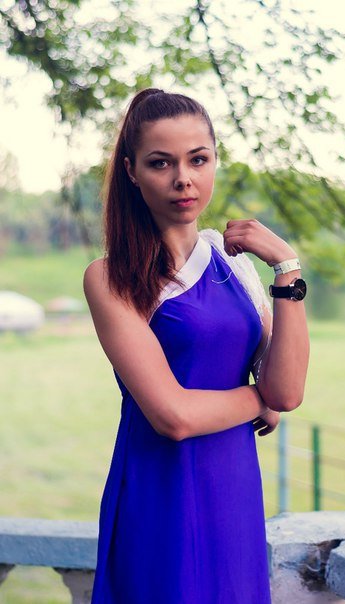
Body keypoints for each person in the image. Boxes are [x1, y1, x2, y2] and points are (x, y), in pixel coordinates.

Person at [83, 88, 309, 604]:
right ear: (132, 171)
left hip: (233, 495)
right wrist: (258, 399)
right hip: (159, 496)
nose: (183, 178)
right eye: (160, 163)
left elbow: (288, 391)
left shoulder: (234, 266)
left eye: (198, 159)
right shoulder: (111, 278)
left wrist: (286, 269)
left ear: (214, 162)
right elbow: (175, 417)